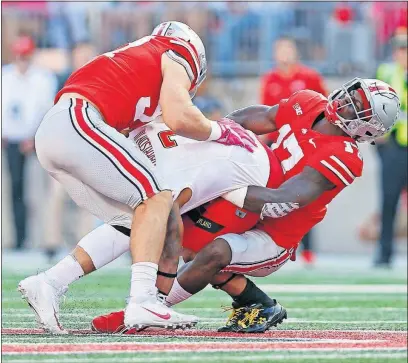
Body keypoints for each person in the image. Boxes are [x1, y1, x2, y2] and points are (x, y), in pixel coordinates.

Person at [92, 78, 400, 334]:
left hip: (273, 234)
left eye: (357, 107)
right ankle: (257, 303)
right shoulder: (309, 102)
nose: (346, 102)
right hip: (246, 209)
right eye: (352, 95)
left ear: (368, 129)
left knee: (213, 253)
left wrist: (228, 186)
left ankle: (143, 315)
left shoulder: (344, 155)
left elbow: (284, 197)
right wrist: (216, 132)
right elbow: (262, 117)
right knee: (173, 229)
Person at [17, 21, 255, 334]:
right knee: (157, 197)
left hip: (58, 131)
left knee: (135, 220)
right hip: (78, 120)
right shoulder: (176, 50)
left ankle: (50, 282)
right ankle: (143, 300)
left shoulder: (135, 63)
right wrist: (221, 131)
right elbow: (179, 114)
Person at [260, 36, 328, 264]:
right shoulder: (270, 79)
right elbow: (265, 114)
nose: (284, 54)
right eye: (279, 50)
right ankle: (270, 244)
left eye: (287, 49)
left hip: (303, 146)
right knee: (270, 193)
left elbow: (325, 109)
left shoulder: (309, 77)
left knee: (304, 195)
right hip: (277, 146)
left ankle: (307, 250)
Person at [2, 34, 58, 250]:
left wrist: (33, 137)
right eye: (19, 56)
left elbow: (46, 110)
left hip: (35, 141)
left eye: (25, 56)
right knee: (13, 191)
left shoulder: (43, 78)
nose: (22, 61)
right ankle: (16, 239)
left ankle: (43, 240)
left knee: (38, 192)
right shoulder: (5, 77)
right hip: (11, 141)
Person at [374, 31, 407, 268]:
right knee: (388, 200)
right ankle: (384, 254)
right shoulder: (385, 72)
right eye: (400, 49)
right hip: (394, 146)